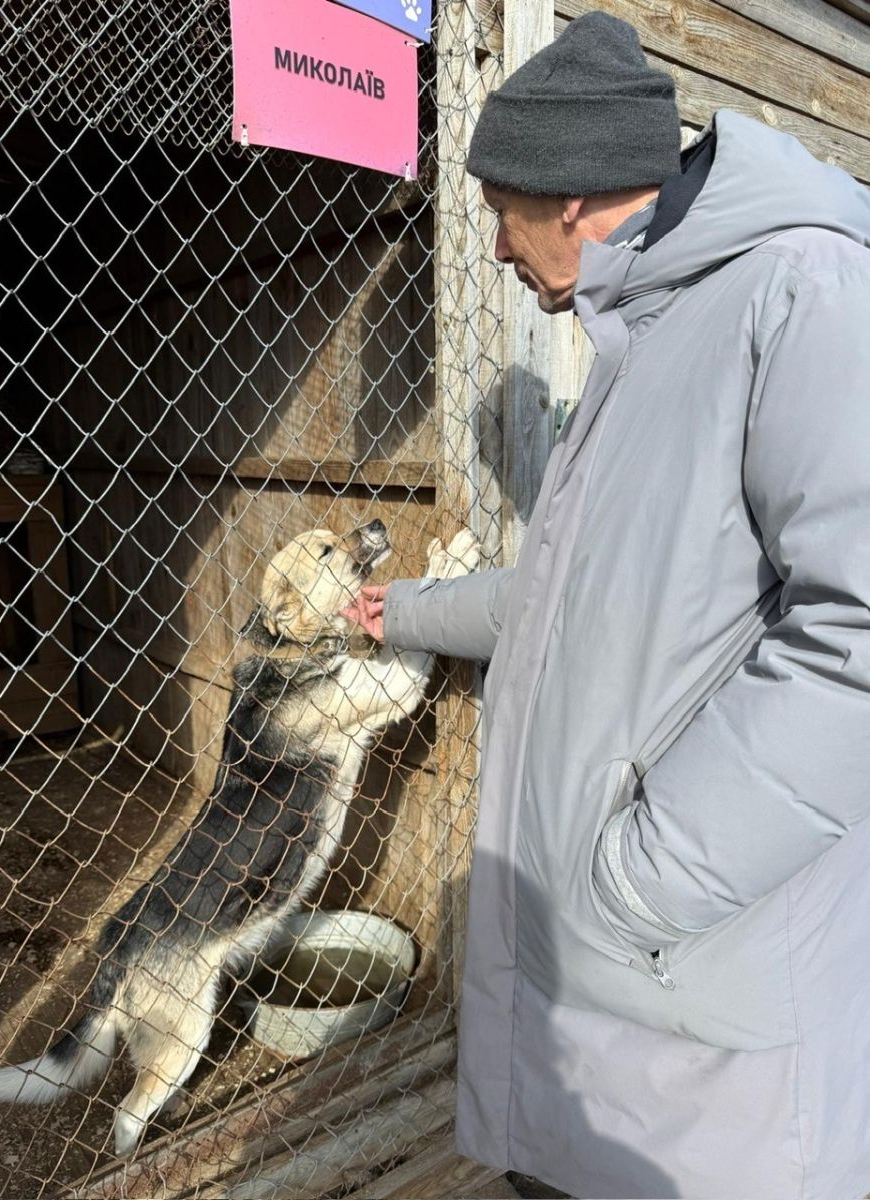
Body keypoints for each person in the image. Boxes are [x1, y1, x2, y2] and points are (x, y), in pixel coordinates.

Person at [344, 11, 870, 1198]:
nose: (489, 251)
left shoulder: (806, 293)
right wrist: (407, 610)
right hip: (622, 993)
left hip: (692, 997)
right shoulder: (649, 335)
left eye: (496, 212)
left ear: (569, 199)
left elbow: (859, 635)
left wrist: (640, 879)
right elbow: (567, 598)